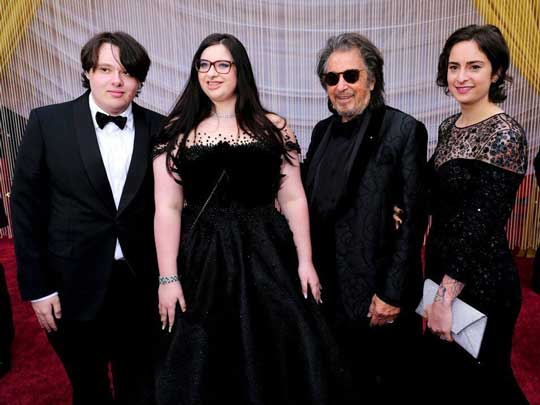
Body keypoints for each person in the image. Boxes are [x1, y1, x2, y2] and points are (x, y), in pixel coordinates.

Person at [153, 33, 348, 405]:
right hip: (202, 256)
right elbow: (168, 207)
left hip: (267, 252)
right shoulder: (176, 132)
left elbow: (292, 198)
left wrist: (306, 260)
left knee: (278, 346)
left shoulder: (273, 126)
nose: (212, 74)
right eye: (204, 65)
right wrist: (168, 276)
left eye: (222, 64)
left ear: (240, 70)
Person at [11, 31, 164, 404]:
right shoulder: (48, 122)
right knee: (89, 388)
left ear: (139, 80)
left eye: (127, 72)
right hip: (70, 284)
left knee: (142, 386)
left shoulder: (161, 128)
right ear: (88, 72)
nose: (117, 80)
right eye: (106, 69)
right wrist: (38, 288)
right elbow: (26, 207)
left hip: (140, 284)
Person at [302, 32, 428, 402]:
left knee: (384, 388)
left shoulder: (403, 130)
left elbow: (413, 223)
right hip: (328, 290)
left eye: (351, 76)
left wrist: (391, 293)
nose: (341, 86)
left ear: (372, 79)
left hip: (376, 293)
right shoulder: (322, 131)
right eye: (332, 78)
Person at [422, 24, 528, 404]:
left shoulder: (505, 135)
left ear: (496, 72)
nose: (461, 77)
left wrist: (444, 301)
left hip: (481, 280)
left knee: (485, 384)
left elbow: (479, 226)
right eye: (453, 67)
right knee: (450, 380)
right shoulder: (450, 126)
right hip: (443, 272)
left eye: (474, 66)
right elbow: (436, 195)